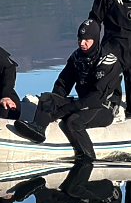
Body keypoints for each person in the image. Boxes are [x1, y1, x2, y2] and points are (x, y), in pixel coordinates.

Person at [13, 19, 122, 160]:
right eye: (80, 39)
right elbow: (63, 84)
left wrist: (64, 110)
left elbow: (96, 98)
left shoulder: (108, 62)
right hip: (83, 103)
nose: (82, 43)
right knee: (47, 97)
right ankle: (38, 129)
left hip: (102, 108)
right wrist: (53, 105)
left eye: (87, 40)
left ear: (95, 39)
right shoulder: (76, 57)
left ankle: (88, 158)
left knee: (73, 122)